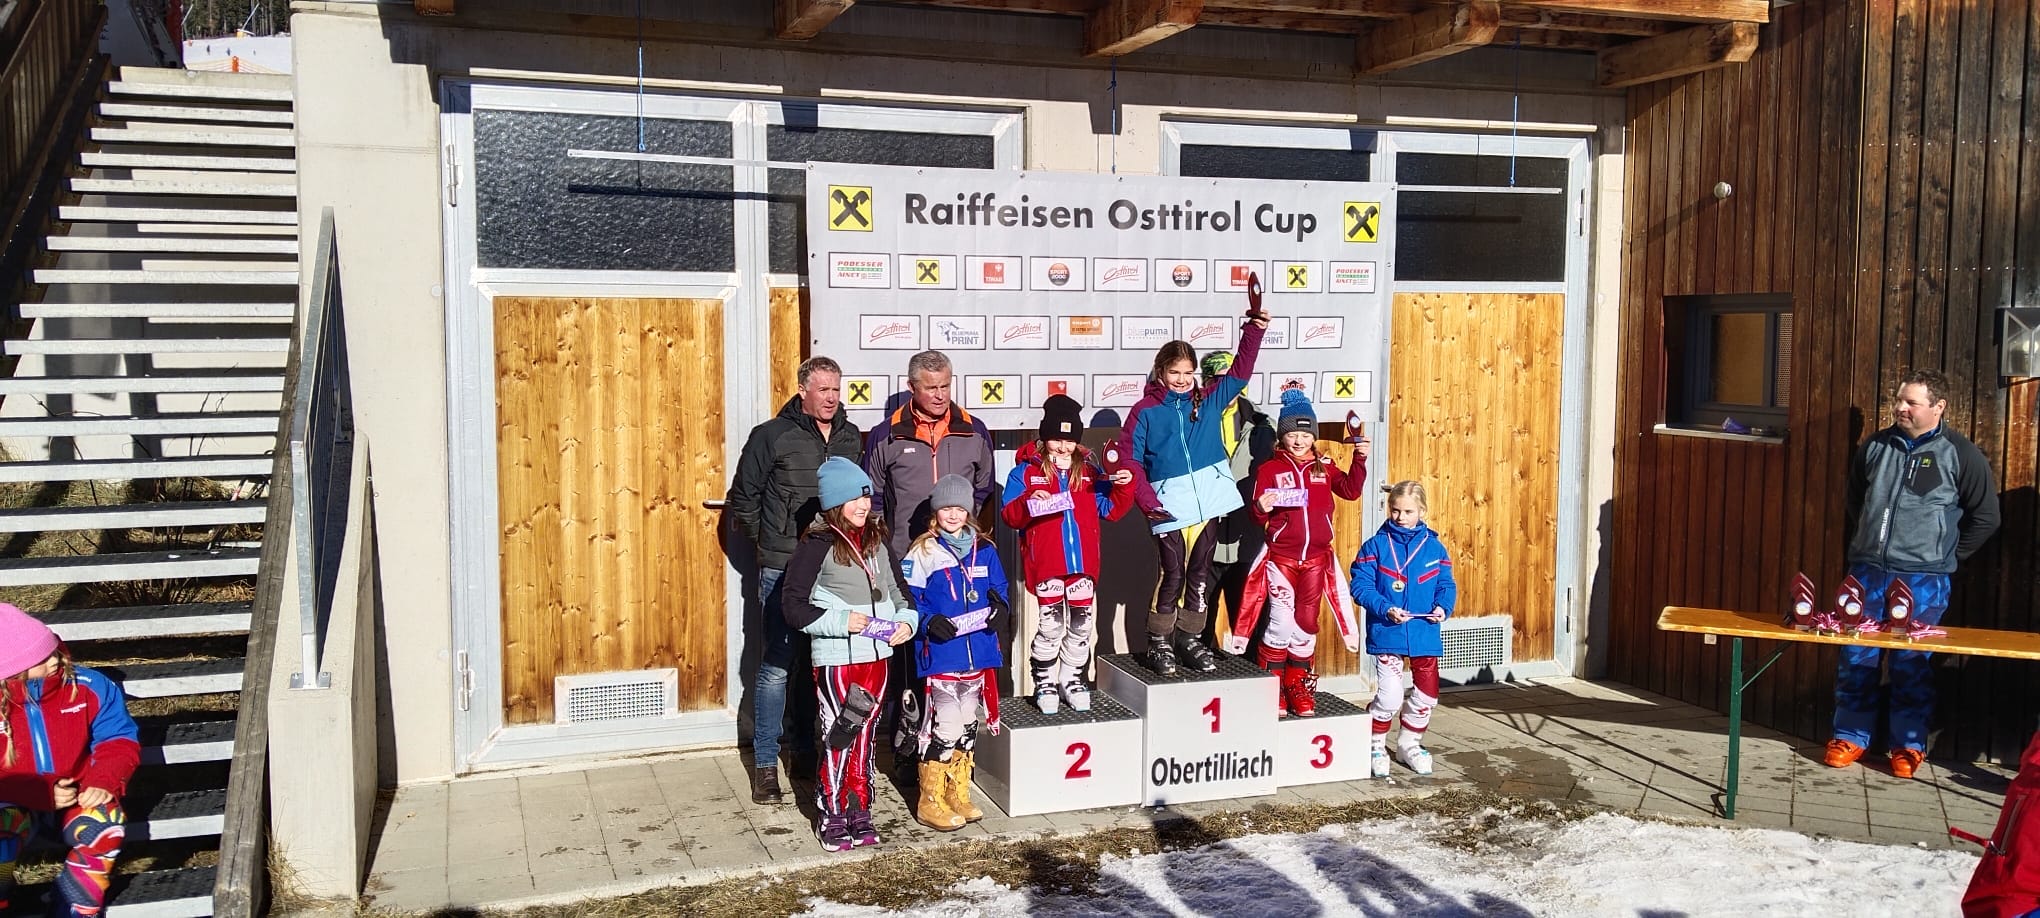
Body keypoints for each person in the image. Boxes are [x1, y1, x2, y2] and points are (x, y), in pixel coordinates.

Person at [1826, 368, 2000, 779]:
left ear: (1938, 407)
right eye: (1899, 399)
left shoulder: (1960, 454)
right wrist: (1871, 543)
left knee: (1911, 664)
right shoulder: (1875, 447)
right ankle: (1850, 737)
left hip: (1923, 579)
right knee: (1856, 658)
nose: (1900, 408)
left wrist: (1944, 555)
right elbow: (1856, 501)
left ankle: (1907, 745)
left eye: (1911, 402)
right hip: (1867, 572)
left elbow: (1986, 517)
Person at [726, 356, 863, 805]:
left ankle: (806, 752)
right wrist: (769, 543)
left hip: (830, 564)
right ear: (803, 390)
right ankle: (766, 764)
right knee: (779, 664)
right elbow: (743, 498)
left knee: (818, 660)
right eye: (823, 389)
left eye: (836, 389)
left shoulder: (849, 436)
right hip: (783, 564)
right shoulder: (771, 435)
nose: (831, 398)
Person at [1119, 276, 1271, 675]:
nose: (1183, 379)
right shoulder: (1145, 411)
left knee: (1199, 575)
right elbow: (1129, 460)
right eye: (1175, 372)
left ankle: (1189, 638)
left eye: (1188, 372)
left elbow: (1240, 373)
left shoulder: (1208, 399)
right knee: (1172, 574)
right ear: (1160, 371)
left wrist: (1254, 330)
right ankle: (1159, 643)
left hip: (1209, 501)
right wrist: (1148, 502)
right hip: (1169, 505)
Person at [862, 350, 996, 770]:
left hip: (960, 567)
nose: (940, 395)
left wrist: (965, 537)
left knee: (956, 655)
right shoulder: (886, 435)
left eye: (946, 386)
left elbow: (984, 490)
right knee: (909, 659)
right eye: (930, 387)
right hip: (910, 563)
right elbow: (873, 500)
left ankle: (955, 753)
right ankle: (908, 753)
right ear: (911, 388)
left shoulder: (974, 430)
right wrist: (887, 551)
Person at [782, 458, 917, 851]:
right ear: (834, 502)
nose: (864, 505)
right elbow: (793, 607)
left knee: (867, 735)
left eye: (867, 497)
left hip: (878, 657)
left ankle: (859, 807)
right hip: (839, 659)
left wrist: (906, 623)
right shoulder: (817, 544)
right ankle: (832, 811)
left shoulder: (877, 540)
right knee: (840, 733)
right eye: (854, 499)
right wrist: (844, 621)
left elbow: (902, 594)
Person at [1224, 388, 1368, 718]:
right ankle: (1272, 687)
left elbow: (1350, 490)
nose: (1299, 441)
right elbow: (1257, 515)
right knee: (1280, 622)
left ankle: (1297, 686)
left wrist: (1360, 459)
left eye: (1305, 434)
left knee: (1305, 625)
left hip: (1316, 560)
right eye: (1292, 434)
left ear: (1313, 436)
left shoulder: (1324, 467)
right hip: (1282, 559)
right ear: (1282, 436)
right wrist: (1260, 507)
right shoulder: (1269, 469)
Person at [999, 395, 1136, 714]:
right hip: (1047, 565)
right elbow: (1009, 515)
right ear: (1044, 436)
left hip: (1082, 566)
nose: (1062, 447)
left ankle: (1072, 678)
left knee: (1081, 624)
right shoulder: (1025, 472)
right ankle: (1044, 681)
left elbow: (1110, 509)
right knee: (1051, 625)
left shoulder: (1088, 472)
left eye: (1070, 440)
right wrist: (1029, 500)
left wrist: (1123, 486)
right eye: (1056, 439)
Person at [0, 603, 138, 916]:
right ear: (10, 669)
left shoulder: (88, 686)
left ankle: (76, 903)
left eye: (53, 649)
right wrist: (32, 791)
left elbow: (118, 739)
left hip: (77, 795)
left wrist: (103, 780)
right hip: (11, 801)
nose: (55, 660)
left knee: (105, 826)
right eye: (40, 658)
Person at [899, 475, 1009, 832]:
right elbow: (907, 598)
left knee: (967, 725)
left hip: (978, 653)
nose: (953, 515)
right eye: (946, 508)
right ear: (935, 512)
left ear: (968, 512)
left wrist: (1001, 607)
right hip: (943, 654)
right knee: (945, 727)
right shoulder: (923, 551)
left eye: (959, 508)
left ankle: (956, 792)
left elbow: (1000, 588)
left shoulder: (984, 548)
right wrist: (928, 620)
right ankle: (929, 800)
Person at [1351, 480, 1456, 779]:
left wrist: (1443, 607)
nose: (1400, 517)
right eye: (1395, 511)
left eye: (1408, 512)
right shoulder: (1375, 546)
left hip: (1424, 631)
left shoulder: (1434, 548)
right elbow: (1360, 586)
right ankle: (1374, 744)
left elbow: (1446, 584)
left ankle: (1409, 744)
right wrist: (1385, 608)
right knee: (1390, 697)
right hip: (1388, 631)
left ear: (1422, 510)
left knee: (1428, 696)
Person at [1200, 350, 1276, 652]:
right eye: (1219, 380)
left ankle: (1257, 674)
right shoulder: (1192, 420)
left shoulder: (1264, 425)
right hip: (1205, 537)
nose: (1227, 386)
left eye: (1233, 379)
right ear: (1206, 383)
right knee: (1198, 625)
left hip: (1248, 537)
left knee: (1253, 625)